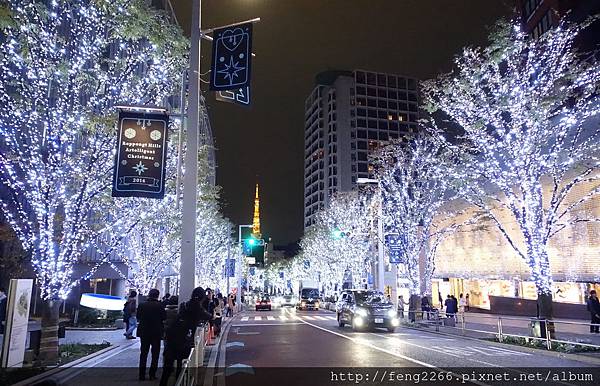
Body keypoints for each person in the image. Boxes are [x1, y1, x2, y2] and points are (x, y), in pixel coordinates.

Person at [160, 287, 212, 386]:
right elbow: (208, 316)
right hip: (184, 338)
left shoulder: (184, 305)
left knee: (168, 367)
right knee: (182, 364)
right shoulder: (198, 307)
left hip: (172, 336)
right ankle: (179, 382)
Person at [137, 289, 166, 381]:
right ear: (157, 295)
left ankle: (141, 375)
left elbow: (138, 317)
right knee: (155, 354)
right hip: (156, 332)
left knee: (143, 353)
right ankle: (152, 374)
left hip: (144, 332)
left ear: (149, 295)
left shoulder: (142, 305)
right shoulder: (160, 305)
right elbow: (164, 317)